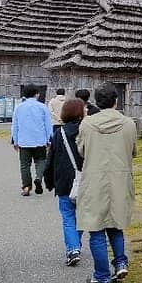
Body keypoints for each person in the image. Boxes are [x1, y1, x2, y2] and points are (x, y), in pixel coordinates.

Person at [77, 82, 136, 283]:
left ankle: (101, 275)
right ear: (116, 100)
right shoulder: (129, 123)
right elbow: (133, 151)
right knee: (115, 224)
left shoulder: (87, 124)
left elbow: (82, 151)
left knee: (96, 228)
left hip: (95, 179)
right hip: (120, 178)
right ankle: (120, 261)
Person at [45, 98, 85, 266]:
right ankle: (75, 244)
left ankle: (73, 248)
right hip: (85, 180)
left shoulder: (58, 134)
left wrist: (49, 180)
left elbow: (51, 159)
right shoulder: (87, 131)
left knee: (68, 216)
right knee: (81, 216)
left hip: (64, 180)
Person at [11, 84, 52, 196]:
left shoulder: (19, 107)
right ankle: (38, 177)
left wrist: (15, 140)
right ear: (37, 94)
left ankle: (26, 186)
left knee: (25, 164)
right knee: (41, 161)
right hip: (40, 139)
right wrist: (49, 140)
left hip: (24, 140)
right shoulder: (42, 107)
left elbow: (15, 125)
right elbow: (48, 125)